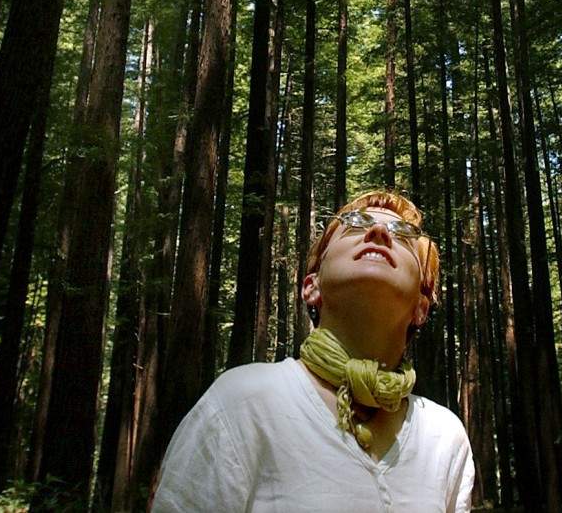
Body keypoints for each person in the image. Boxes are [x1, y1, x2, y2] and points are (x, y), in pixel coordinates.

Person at [150, 190, 475, 512]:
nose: (378, 232)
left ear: (421, 307)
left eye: (402, 235)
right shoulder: (243, 401)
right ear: (312, 286)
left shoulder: (444, 437)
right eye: (355, 223)